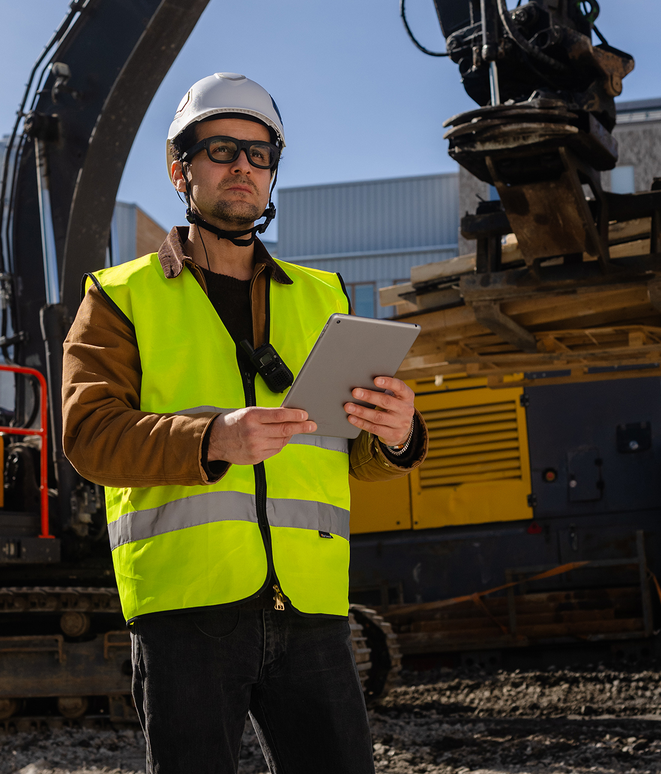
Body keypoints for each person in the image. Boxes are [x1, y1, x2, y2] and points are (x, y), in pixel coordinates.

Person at [61, 72, 427, 774]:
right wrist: (211, 440)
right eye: (223, 149)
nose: (243, 168)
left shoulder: (323, 297)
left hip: (313, 608)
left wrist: (399, 433)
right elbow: (89, 436)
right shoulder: (119, 297)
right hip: (187, 612)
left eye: (260, 156)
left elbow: (351, 452)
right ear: (180, 170)